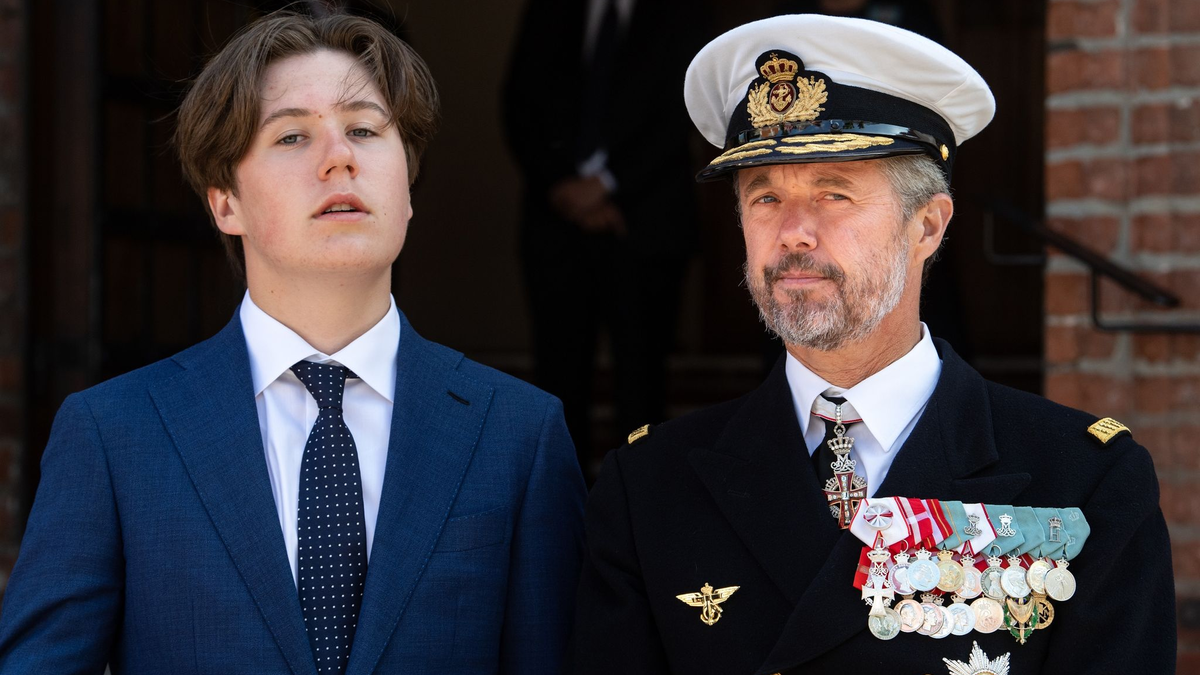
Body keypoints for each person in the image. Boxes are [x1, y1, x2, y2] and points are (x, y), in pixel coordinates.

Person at [571, 14, 1175, 674]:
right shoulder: (651, 484)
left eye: (835, 192)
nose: (795, 231)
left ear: (928, 226)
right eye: (765, 196)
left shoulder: (1084, 478)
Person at [0, 11, 585, 675]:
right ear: (224, 200)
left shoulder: (520, 434)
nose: (340, 156)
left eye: (364, 129)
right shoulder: (114, 434)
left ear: (409, 182)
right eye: (292, 136)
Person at [502, 0, 706, 477]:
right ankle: (558, 505)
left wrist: (609, 185)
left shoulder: (681, 14)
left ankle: (637, 503)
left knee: (642, 379)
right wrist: (563, 189)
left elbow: (686, 112)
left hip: (646, 225)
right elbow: (519, 103)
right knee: (557, 375)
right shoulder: (548, 12)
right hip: (557, 225)